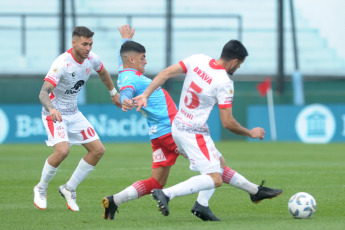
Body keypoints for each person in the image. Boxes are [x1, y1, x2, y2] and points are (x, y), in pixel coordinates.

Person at [102, 25, 282, 221]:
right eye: (142, 58)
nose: (145, 61)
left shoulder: (125, 71)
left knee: (157, 180)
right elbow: (127, 90)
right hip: (174, 129)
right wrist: (126, 98)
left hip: (158, 132)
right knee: (215, 171)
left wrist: (125, 42)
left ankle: (115, 200)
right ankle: (208, 200)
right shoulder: (223, 81)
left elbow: (142, 67)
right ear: (235, 61)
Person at [33, 26, 121, 211]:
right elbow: (42, 93)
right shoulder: (62, 63)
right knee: (63, 151)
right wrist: (51, 108)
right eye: (84, 44)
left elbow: (103, 72)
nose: (88, 48)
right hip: (54, 113)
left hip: (74, 113)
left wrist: (113, 93)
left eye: (90, 44)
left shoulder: (92, 58)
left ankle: (69, 188)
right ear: (73, 43)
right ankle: (41, 188)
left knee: (98, 150)